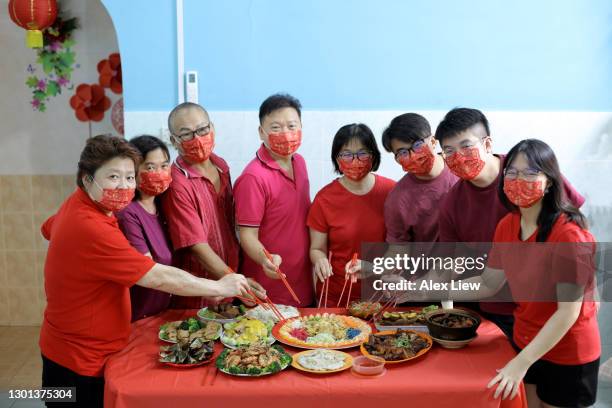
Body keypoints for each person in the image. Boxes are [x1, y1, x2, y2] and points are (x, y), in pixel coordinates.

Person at [40, 135, 250, 407]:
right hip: (78, 359)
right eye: (113, 177)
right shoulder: (90, 226)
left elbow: (47, 227)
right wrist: (220, 286)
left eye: (129, 177)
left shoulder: (80, 204)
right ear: (86, 179)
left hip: (72, 344)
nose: (124, 186)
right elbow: (155, 276)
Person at [454, 139, 599, 406]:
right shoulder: (507, 226)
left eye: (531, 172)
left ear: (551, 181)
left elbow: (568, 312)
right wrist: (427, 290)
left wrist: (520, 362)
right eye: (511, 172)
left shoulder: (569, 235)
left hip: (568, 351)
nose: (519, 179)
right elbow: (488, 283)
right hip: (525, 339)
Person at [435, 108, 584, 338]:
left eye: (466, 146)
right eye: (449, 151)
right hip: (496, 310)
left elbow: (577, 222)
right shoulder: (451, 204)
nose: (459, 156)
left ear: (487, 144)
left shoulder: (530, 172)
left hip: (549, 307)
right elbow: (452, 264)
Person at [162, 102, 266, 309]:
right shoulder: (176, 182)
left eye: (202, 129)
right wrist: (236, 283)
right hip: (199, 290)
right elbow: (196, 246)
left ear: (213, 128)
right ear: (174, 140)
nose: (197, 139)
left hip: (231, 279)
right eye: (186, 134)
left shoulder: (222, 166)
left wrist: (237, 278)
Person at [234, 93, 313, 306]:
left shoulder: (300, 163)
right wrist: (264, 259)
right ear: (261, 132)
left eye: (291, 126)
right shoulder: (253, 177)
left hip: (303, 279)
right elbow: (247, 235)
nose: (286, 134)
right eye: (276, 128)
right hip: (269, 284)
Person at [307, 124, 395, 306]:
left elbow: (401, 248)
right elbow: (317, 248)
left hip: (382, 293)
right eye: (346, 154)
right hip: (336, 294)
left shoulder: (392, 192)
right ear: (336, 159)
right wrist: (320, 260)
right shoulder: (325, 198)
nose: (355, 160)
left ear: (374, 155)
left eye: (362, 153)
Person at [116, 135, 173, 321]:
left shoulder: (165, 206)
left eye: (164, 166)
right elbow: (148, 271)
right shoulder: (128, 213)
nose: (160, 173)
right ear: (133, 171)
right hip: (138, 316)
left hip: (162, 312)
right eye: (150, 167)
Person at [382, 113, 457, 244]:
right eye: (403, 152)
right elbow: (398, 252)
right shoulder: (398, 200)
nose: (413, 155)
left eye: (417, 145)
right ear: (397, 159)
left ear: (433, 142)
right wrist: (370, 266)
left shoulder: (462, 168)